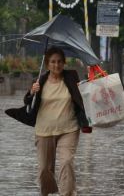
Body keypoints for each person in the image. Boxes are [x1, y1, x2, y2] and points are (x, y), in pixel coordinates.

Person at [5, 46, 92, 196]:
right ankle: (49, 192)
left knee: (66, 162)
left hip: (69, 129)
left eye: (59, 61)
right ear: (47, 64)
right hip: (44, 130)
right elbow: (27, 101)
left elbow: (83, 94)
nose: (56, 65)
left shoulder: (72, 77)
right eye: (52, 62)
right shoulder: (40, 80)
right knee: (45, 169)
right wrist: (32, 92)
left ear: (64, 63)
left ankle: (68, 193)